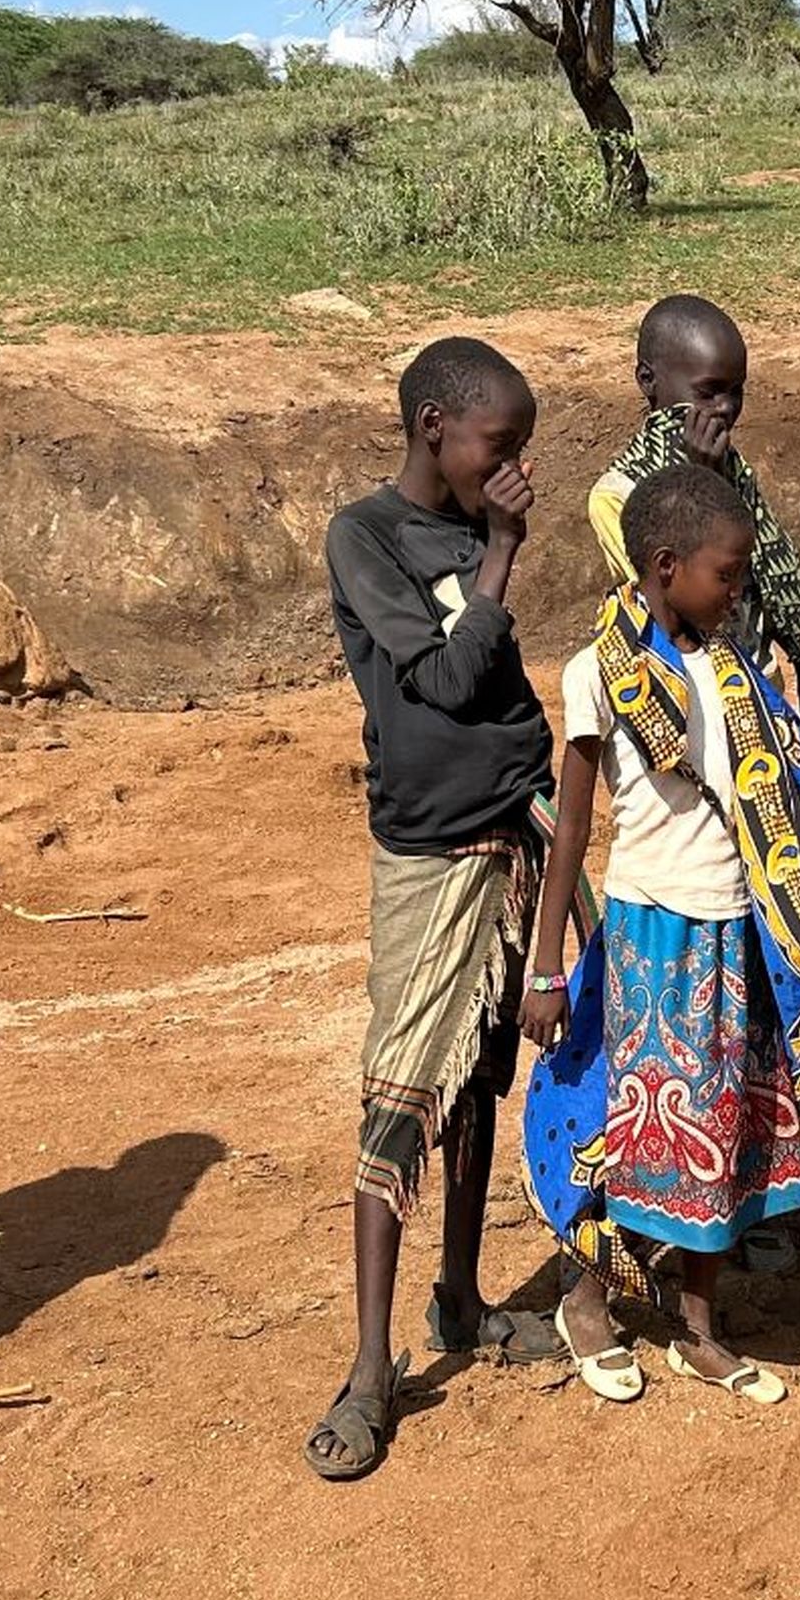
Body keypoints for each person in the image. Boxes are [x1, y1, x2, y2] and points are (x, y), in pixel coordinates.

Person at [522, 461, 800, 1405]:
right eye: (727, 575)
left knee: (724, 1131)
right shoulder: (598, 675)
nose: (739, 592)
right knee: (639, 1127)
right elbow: (570, 833)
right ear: (665, 563)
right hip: (652, 929)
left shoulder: (740, 673)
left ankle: (696, 1325)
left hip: (743, 932)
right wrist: (546, 962)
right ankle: (590, 1302)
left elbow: (792, 790)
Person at [313, 334, 574, 1482]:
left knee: (476, 1084)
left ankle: (460, 1301)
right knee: (402, 1094)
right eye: (500, 444)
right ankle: (371, 1368)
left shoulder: (468, 533)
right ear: (435, 428)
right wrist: (505, 553)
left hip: (506, 839)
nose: (514, 468)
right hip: (428, 859)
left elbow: (495, 694)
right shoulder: (365, 537)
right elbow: (448, 680)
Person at [585, 294, 800, 731]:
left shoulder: (732, 465)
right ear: (648, 380)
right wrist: (703, 492)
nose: (725, 408)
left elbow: (776, 580)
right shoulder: (617, 496)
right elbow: (690, 614)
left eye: (736, 390)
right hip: (694, 709)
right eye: (707, 392)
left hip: (765, 693)